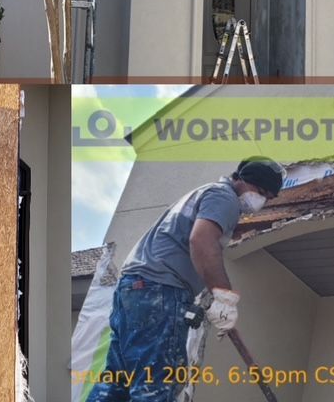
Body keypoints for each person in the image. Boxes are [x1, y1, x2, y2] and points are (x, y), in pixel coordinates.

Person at [87, 157, 285, 401]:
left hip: (135, 291)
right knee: (156, 385)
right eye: (260, 191)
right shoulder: (224, 198)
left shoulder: (205, 193)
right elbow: (202, 241)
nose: (261, 200)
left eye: (268, 197)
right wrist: (224, 297)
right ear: (242, 180)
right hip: (160, 292)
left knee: (116, 383)